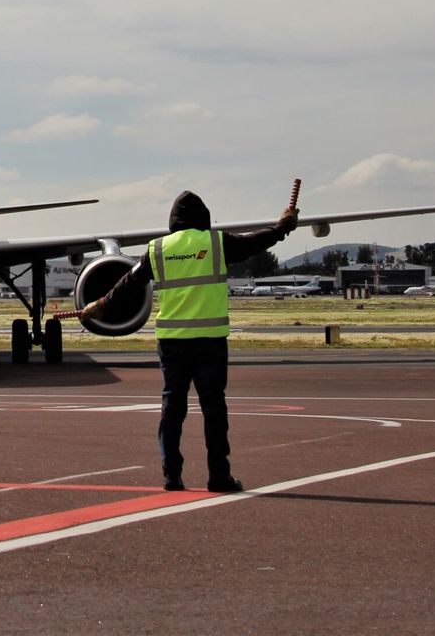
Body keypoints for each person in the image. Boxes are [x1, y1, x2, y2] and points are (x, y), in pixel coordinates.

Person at [79, 190, 298, 493]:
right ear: (204, 217)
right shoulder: (216, 243)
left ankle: (172, 476)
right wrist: (283, 228)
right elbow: (255, 242)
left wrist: (101, 304)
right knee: (214, 409)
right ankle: (218, 476)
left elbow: (130, 283)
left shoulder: (158, 249)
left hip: (173, 343)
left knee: (172, 409)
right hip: (210, 341)